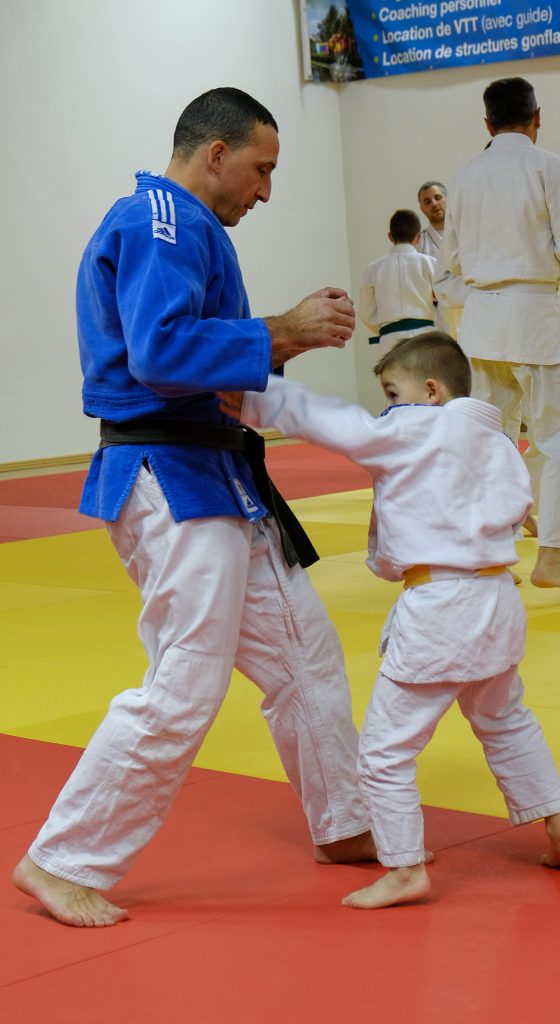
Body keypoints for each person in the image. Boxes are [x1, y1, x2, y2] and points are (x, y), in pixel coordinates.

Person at [12, 87, 375, 928]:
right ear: (215, 154)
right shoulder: (158, 219)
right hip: (164, 474)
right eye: (261, 168)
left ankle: (347, 821)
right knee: (186, 678)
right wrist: (281, 328)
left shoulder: (187, 227)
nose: (266, 189)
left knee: (303, 654)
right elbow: (161, 351)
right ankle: (62, 859)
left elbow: (204, 368)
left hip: (215, 477)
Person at [221, 332, 560, 910]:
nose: (386, 407)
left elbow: (339, 424)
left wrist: (253, 397)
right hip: (497, 603)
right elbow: (518, 506)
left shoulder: (415, 427)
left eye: (392, 392)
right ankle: (559, 826)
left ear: (432, 391)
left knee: (385, 751)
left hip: (441, 610)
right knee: (506, 720)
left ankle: (404, 867)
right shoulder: (493, 440)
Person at [434, 77, 560, 597]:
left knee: (490, 439)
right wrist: (555, 273)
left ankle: (491, 549)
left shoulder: (464, 176)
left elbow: (450, 264)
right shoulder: (548, 165)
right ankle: (550, 555)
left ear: (486, 124)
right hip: (533, 315)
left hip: (481, 321)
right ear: (537, 116)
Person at [358, 209, 436, 357]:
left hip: (389, 338)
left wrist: (385, 327)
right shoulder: (430, 264)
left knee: (395, 380)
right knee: (426, 379)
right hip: (426, 336)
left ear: (390, 236)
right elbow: (445, 302)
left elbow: (365, 311)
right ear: (418, 237)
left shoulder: (373, 269)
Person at [416, 181, 446, 258]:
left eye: (437, 198)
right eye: (427, 202)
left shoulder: (466, 234)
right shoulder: (418, 244)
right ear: (422, 209)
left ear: (448, 200)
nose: (434, 203)